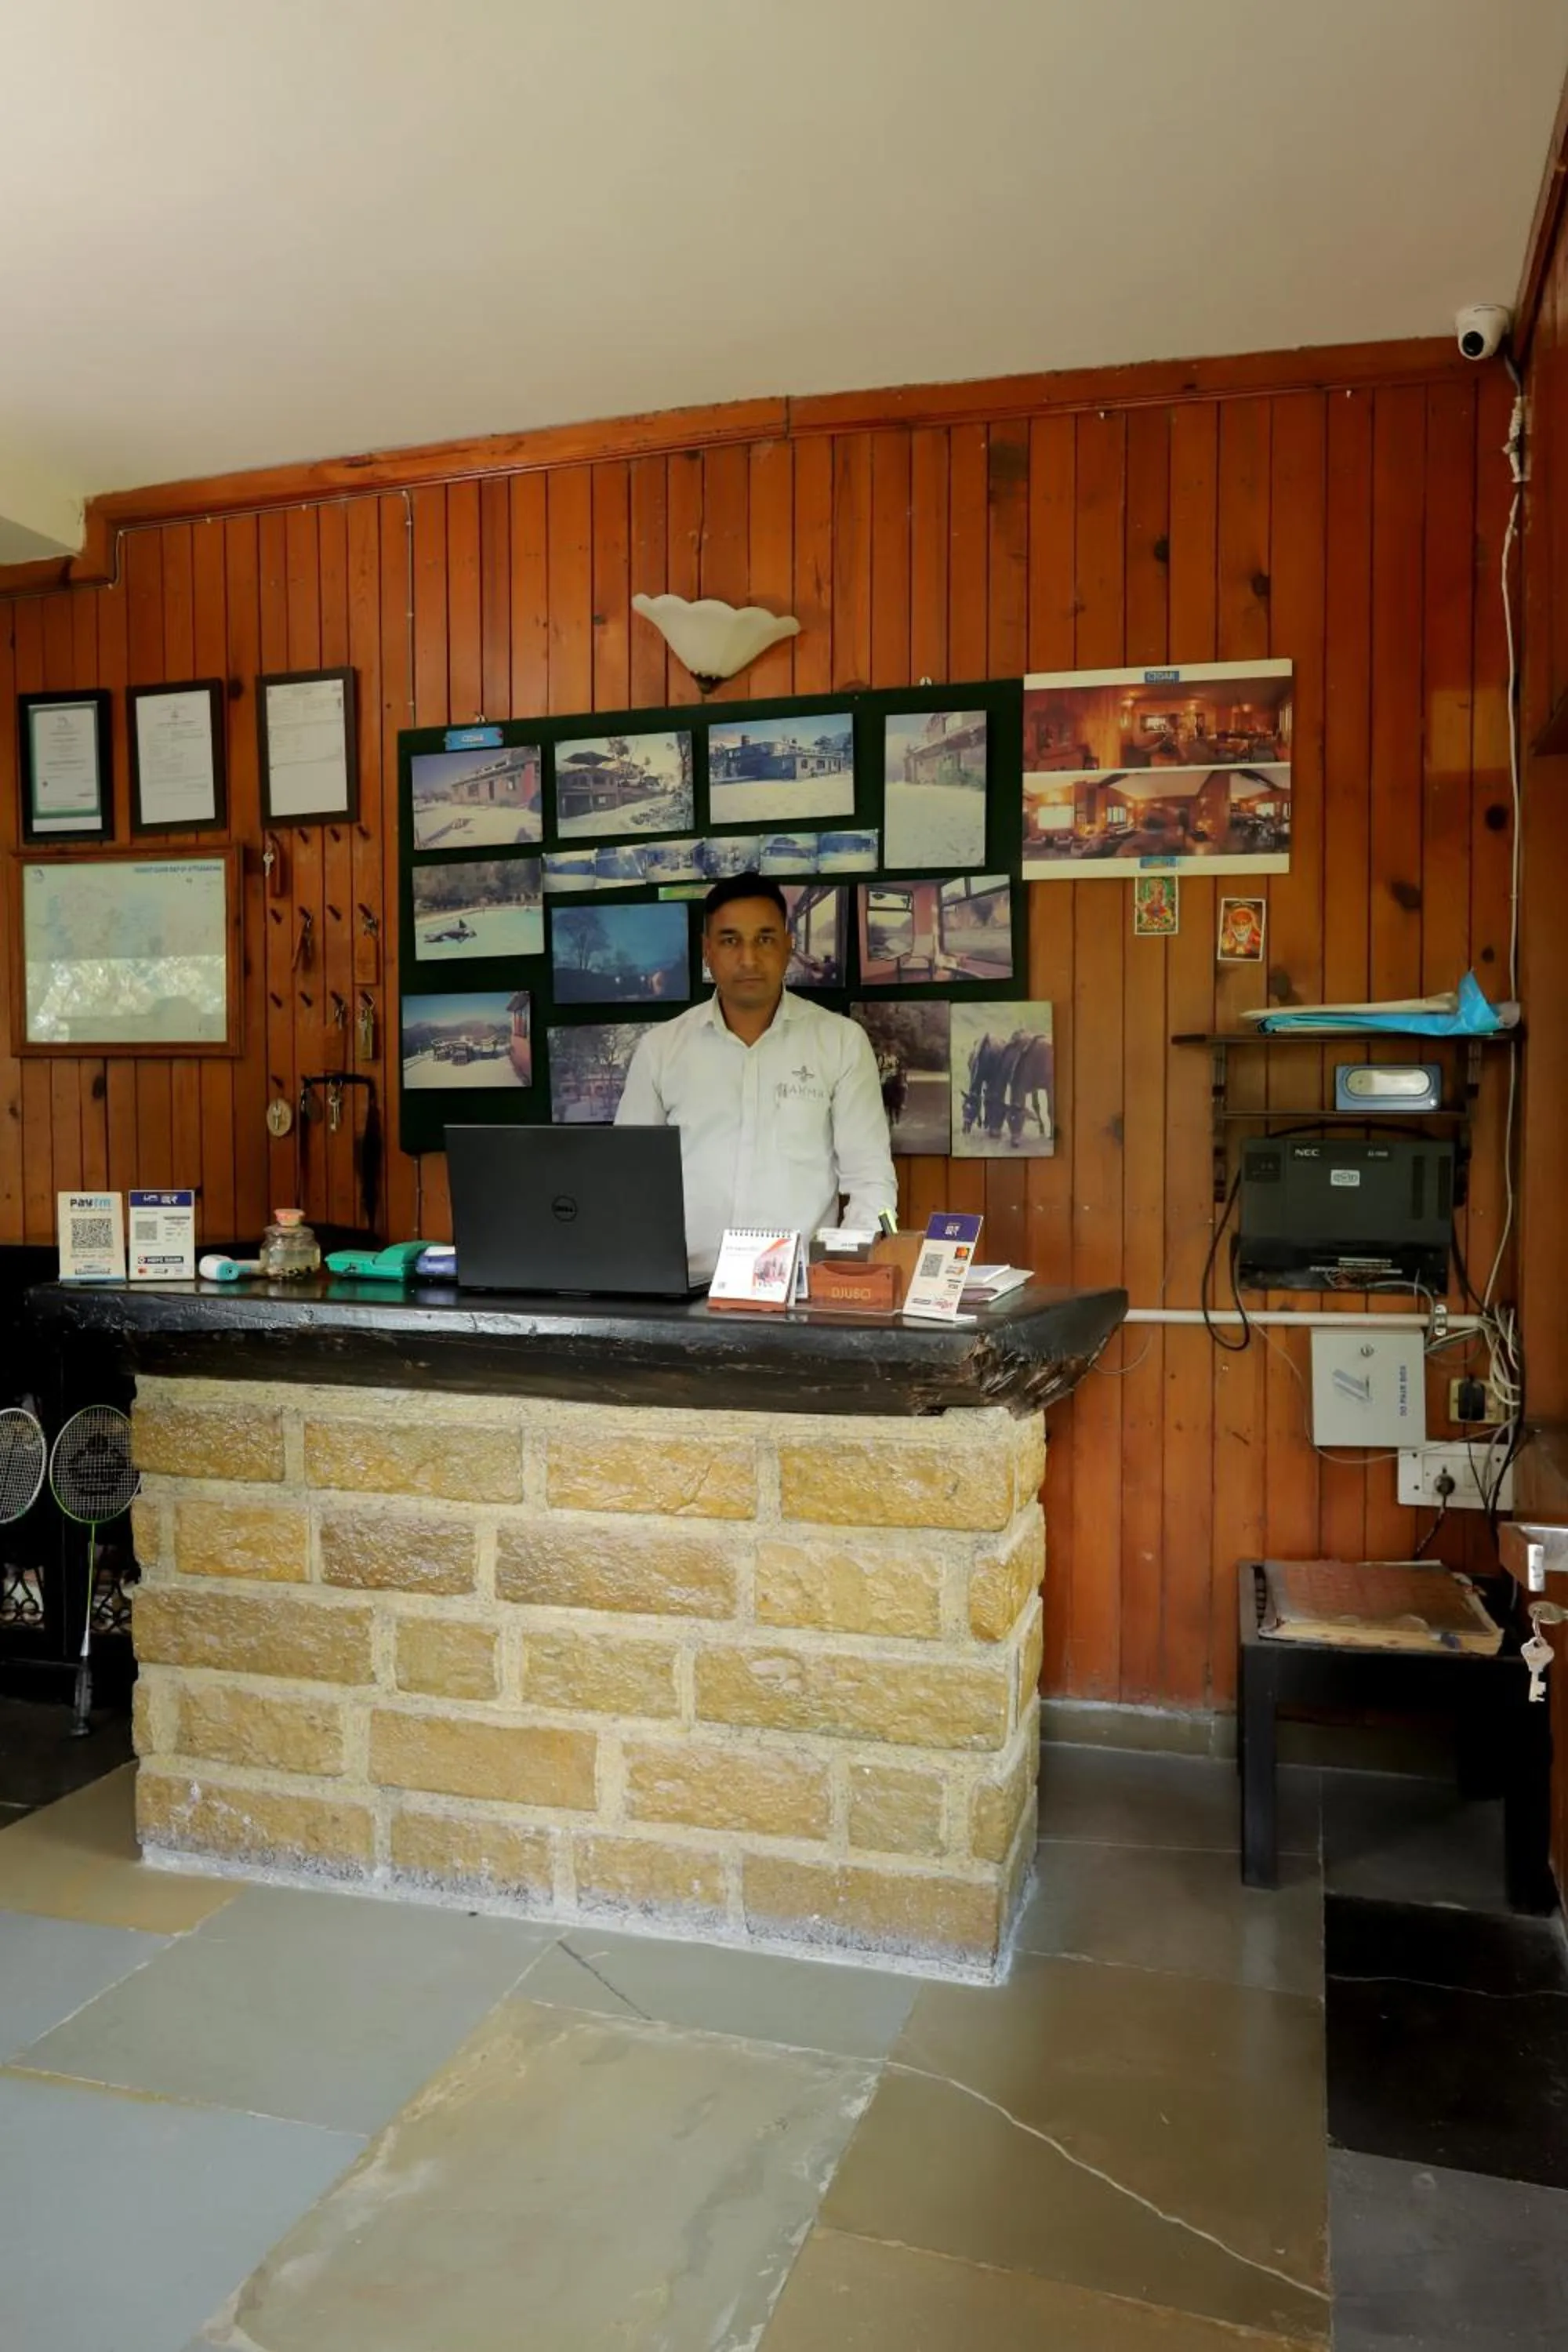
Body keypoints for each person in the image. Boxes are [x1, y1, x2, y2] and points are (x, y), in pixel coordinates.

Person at [615, 872, 897, 1277]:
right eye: (731, 941)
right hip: (685, 1290)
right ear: (707, 951)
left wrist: (843, 1274)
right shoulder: (661, 1050)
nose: (748, 959)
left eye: (765, 939)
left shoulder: (840, 1043)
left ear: (788, 946)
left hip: (800, 1294)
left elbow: (872, 1180)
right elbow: (628, 1180)